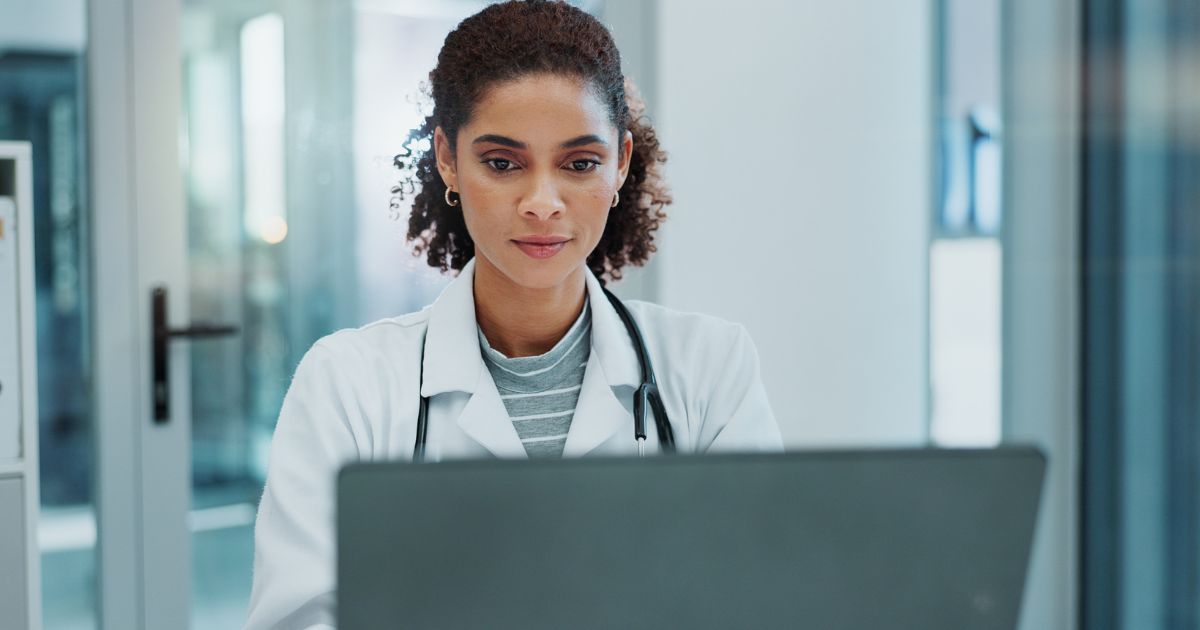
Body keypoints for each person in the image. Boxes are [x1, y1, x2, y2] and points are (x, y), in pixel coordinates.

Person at [243, 1, 782, 628]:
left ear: (621, 163)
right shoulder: (347, 384)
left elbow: (760, 596)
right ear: (448, 157)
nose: (542, 203)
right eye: (502, 163)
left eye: (579, 164)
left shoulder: (709, 368)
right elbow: (298, 618)